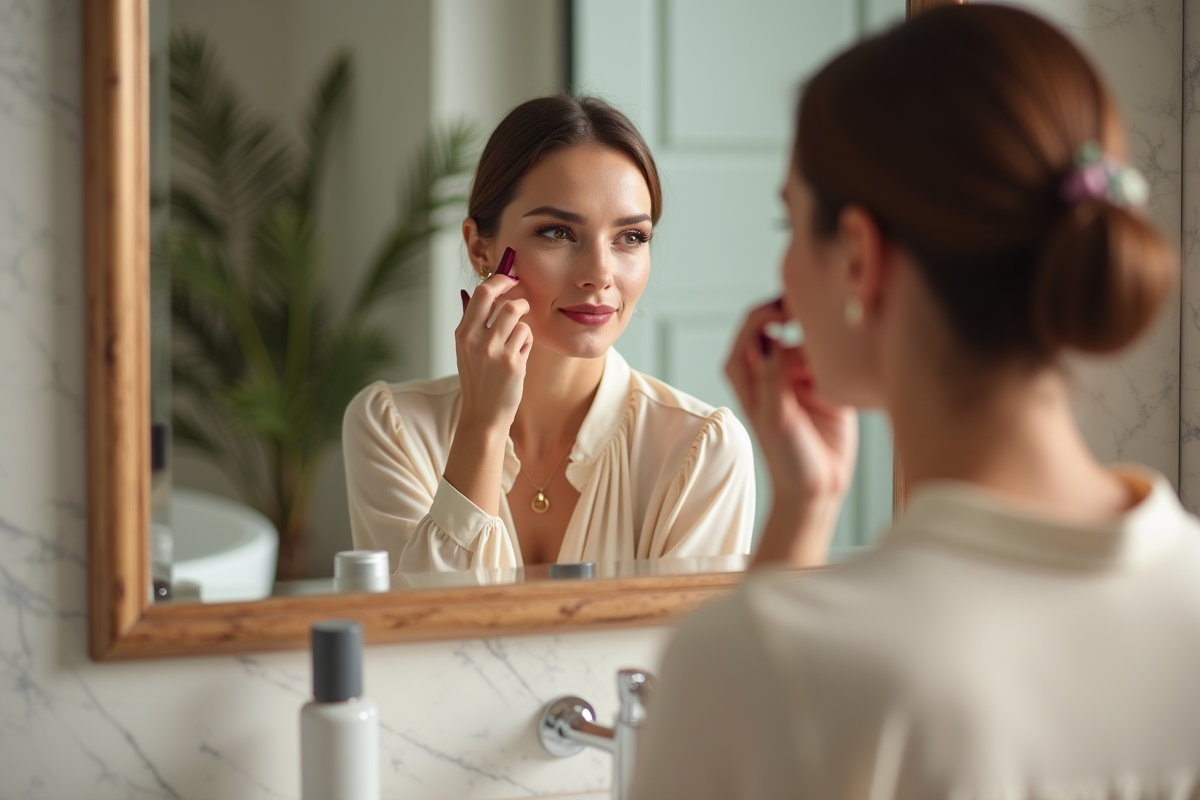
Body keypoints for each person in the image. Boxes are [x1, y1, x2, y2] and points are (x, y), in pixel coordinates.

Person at [631, 5, 1199, 799]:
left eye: (788, 223)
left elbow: (774, 697)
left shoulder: (769, 661)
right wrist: (809, 497)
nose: (785, 272)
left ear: (859, 256)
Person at [342, 95, 755, 574]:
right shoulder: (392, 428)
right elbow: (425, 634)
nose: (600, 274)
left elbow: (687, 647)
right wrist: (482, 427)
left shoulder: (702, 451)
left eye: (631, 237)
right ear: (480, 248)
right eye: (558, 232)